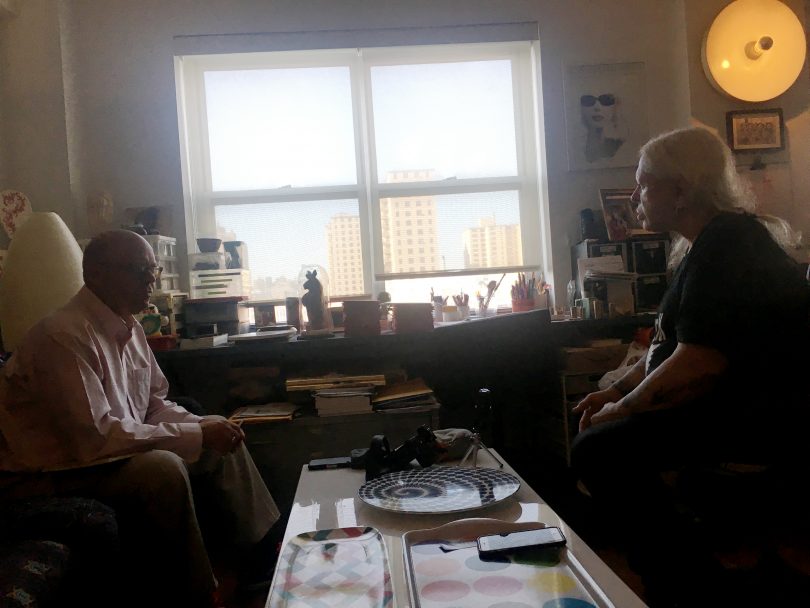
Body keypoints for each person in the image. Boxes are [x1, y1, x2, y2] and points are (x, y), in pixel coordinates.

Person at [570, 127, 809, 605]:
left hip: (750, 419)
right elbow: (667, 346)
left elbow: (698, 363)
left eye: (643, 184)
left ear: (680, 190)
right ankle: (691, 573)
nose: (633, 197)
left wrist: (624, 409)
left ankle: (685, 583)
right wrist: (615, 393)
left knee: (599, 450)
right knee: (599, 437)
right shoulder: (711, 242)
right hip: (721, 408)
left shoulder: (729, 246)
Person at [0, 230, 281, 607]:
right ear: (95, 274)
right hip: (50, 471)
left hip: (102, 453)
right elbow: (95, 437)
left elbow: (153, 405)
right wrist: (195, 436)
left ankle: (264, 558)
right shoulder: (62, 336)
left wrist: (202, 428)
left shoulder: (128, 327)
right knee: (161, 469)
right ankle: (196, 594)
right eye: (139, 270)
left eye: (154, 269)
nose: (152, 280)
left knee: (218, 430)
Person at [580, 93, 625, 163]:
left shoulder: (621, 145)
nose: (597, 108)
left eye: (606, 101)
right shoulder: (578, 147)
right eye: (588, 101)